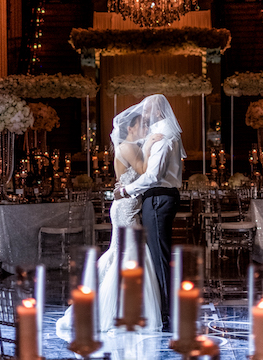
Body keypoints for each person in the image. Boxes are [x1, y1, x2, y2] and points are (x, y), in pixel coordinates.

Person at [56, 111, 163, 340]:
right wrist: (150, 145)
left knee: (122, 253)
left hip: (128, 204)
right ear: (131, 128)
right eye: (142, 125)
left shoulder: (130, 146)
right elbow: (144, 171)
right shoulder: (127, 147)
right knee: (130, 253)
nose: (146, 128)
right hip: (126, 207)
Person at [113, 94, 185, 331]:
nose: (145, 116)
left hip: (158, 197)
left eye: (147, 113)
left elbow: (153, 176)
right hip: (157, 197)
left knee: (159, 256)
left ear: (158, 113)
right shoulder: (160, 136)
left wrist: (125, 190)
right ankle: (165, 309)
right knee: (157, 255)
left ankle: (167, 313)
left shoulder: (163, 138)